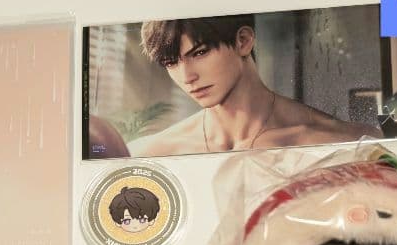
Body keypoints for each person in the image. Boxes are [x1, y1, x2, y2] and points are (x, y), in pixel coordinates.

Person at [129, 14, 381, 157]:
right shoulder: (151, 153)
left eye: (200, 53)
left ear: (243, 41)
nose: (187, 76)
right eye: (171, 62)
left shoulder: (344, 142)